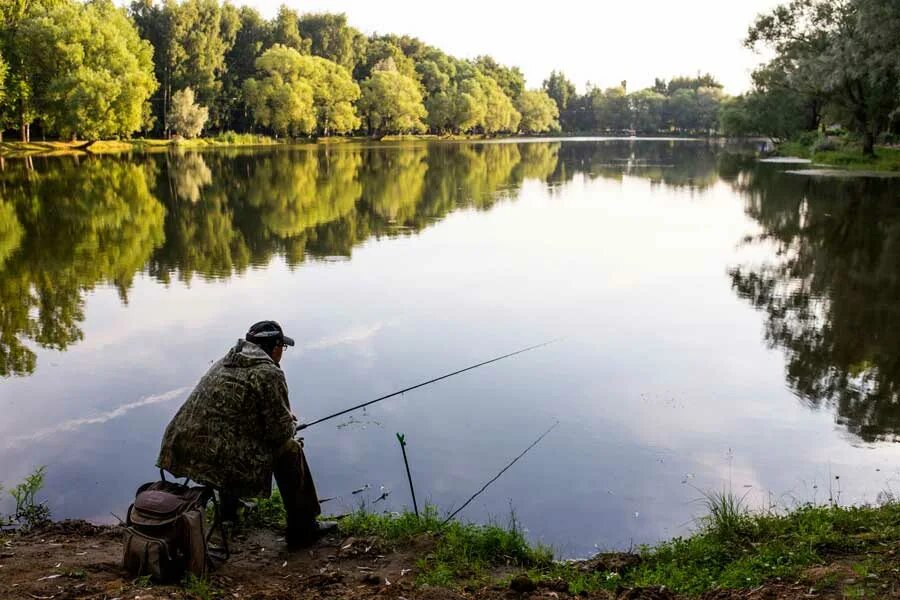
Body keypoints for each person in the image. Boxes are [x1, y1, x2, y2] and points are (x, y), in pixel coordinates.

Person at [156, 320, 335, 547]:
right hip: (216, 455)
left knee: (229, 440)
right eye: (283, 347)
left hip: (179, 447)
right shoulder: (268, 372)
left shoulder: (226, 361)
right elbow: (279, 433)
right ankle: (303, 529)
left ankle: (230, 513)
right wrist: (291, 424)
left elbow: (234, 419)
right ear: (275, 346)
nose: (283, 353)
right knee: (290, 449)